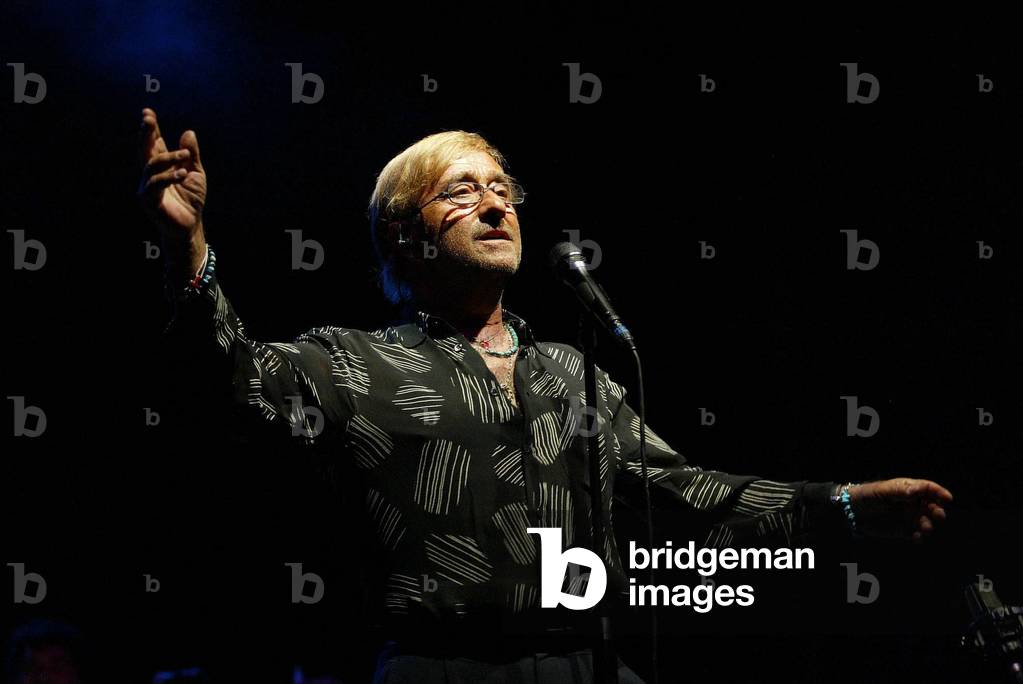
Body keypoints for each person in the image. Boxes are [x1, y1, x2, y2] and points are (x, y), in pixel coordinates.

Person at [137, 107, 954, 683]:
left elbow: (684, 493)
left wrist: (840, 502)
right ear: (403, 233)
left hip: (582, 663)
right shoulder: (351, 364)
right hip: (438, 668)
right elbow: (231, 379)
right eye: (459, 191)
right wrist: (188, 250)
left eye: (502, 189)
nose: (494, 204)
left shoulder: (569, 372)